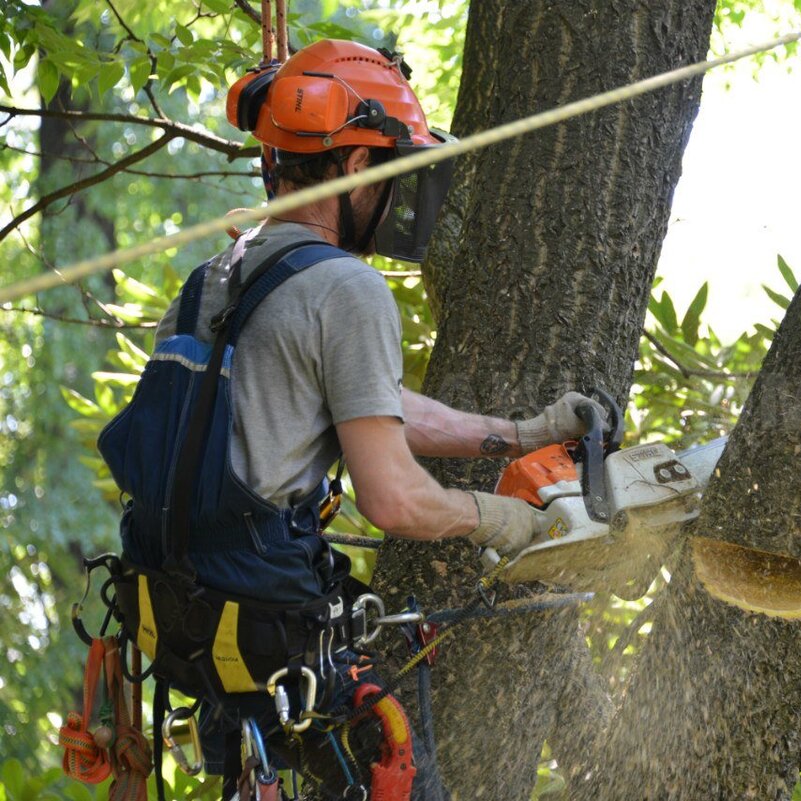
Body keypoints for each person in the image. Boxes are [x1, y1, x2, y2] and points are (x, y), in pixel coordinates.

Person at [98, 38, 606, 800]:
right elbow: (393, 497)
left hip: (176, 616)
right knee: (397, 722)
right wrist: (507, 520)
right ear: (358, 169)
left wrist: (523, 433)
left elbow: (372, 406)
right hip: (265, 625)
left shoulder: (217, 277)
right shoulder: (344, 287)